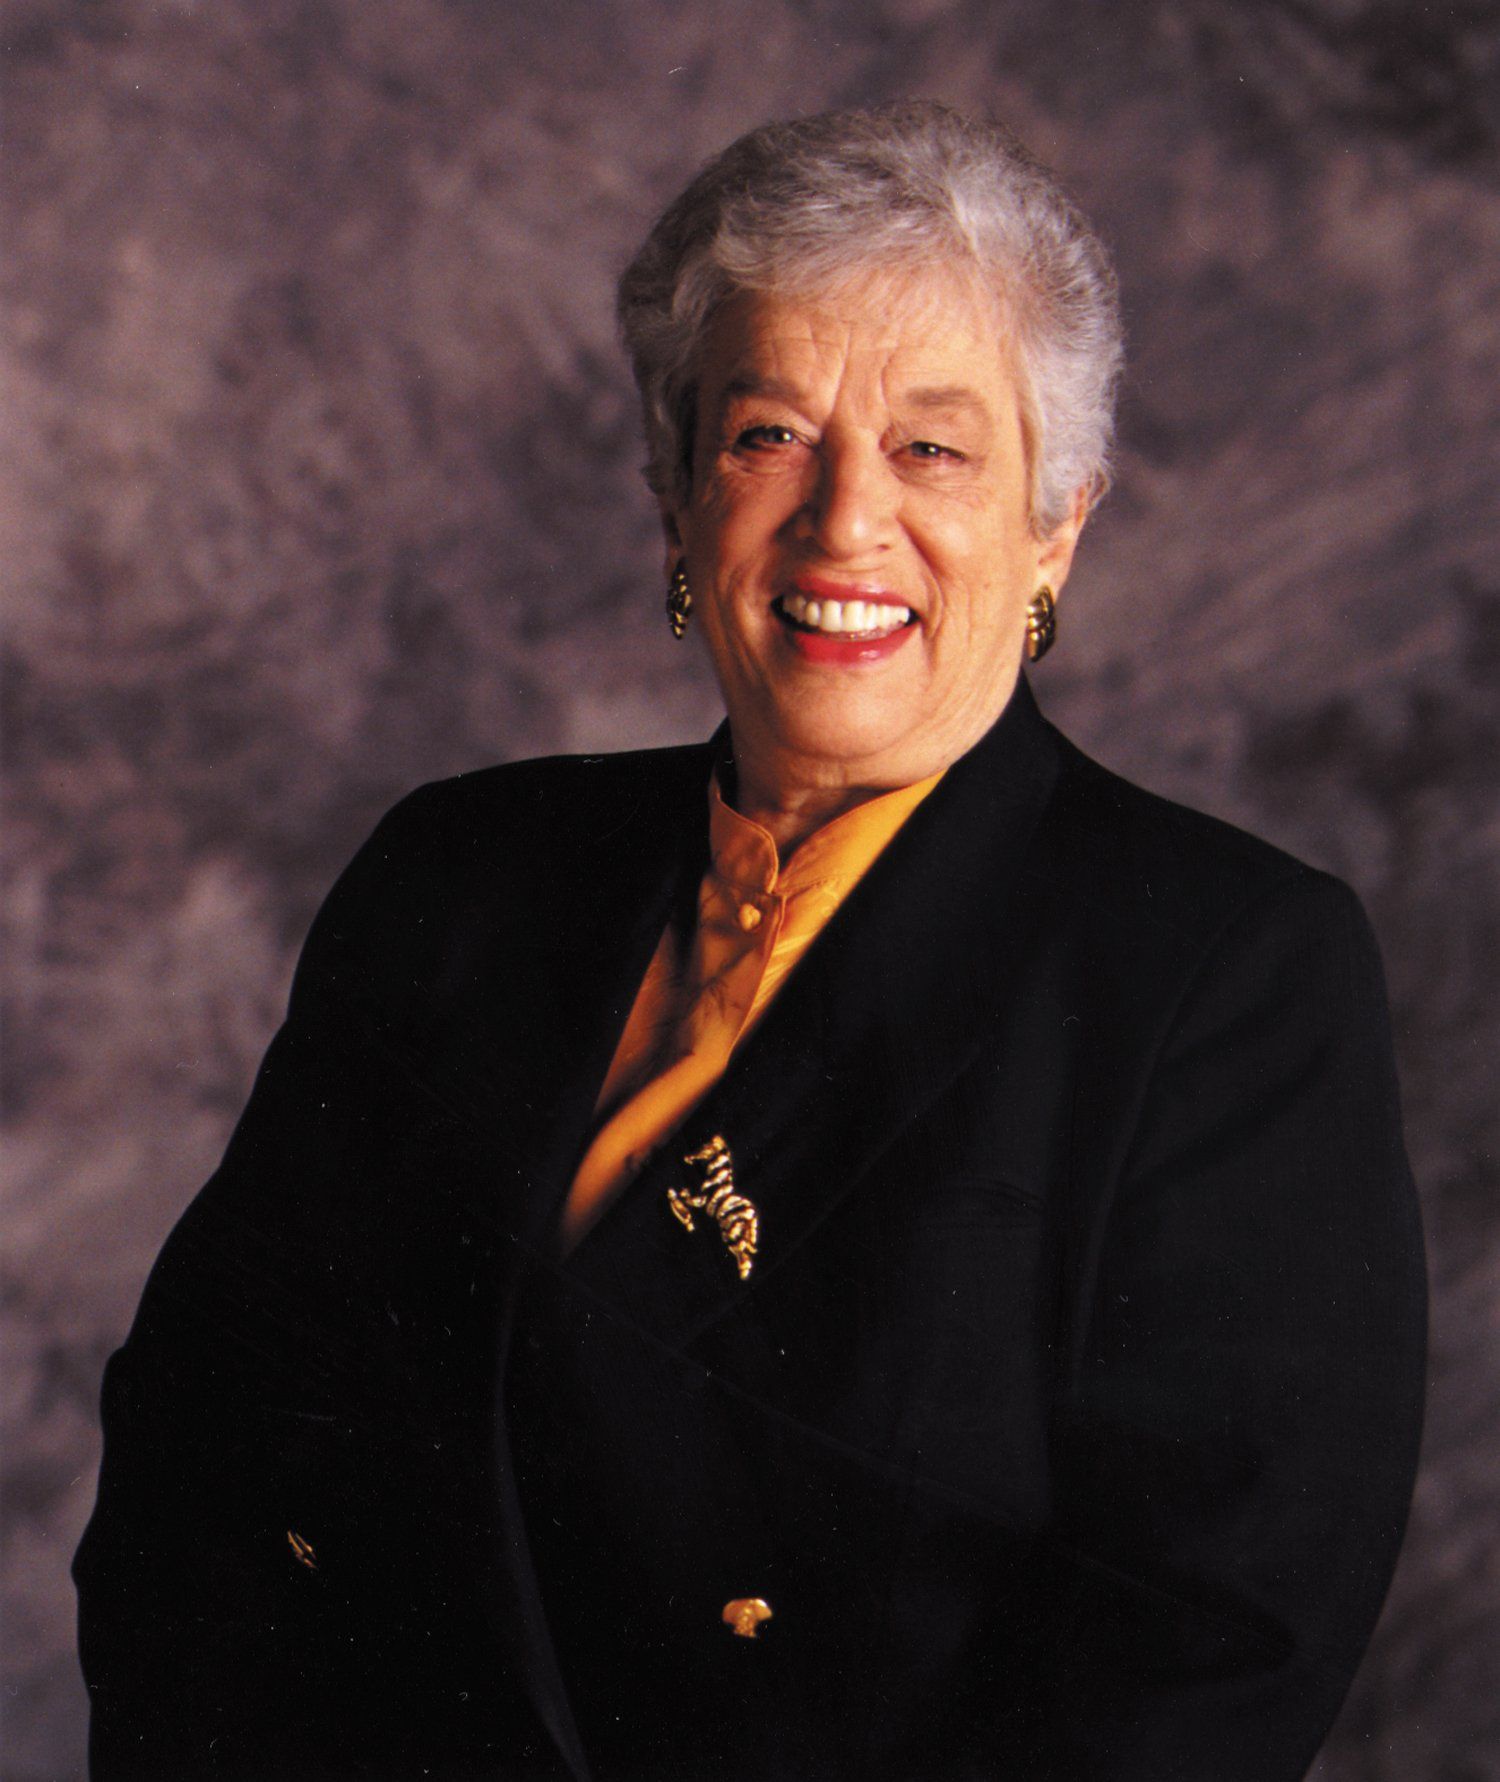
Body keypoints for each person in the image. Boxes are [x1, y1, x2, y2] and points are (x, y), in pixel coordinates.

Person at [74, 102, 1426, 1781]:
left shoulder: (1224, 975)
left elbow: (1204, 1650)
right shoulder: (456, 875)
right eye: (770, 434)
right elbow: (208, 1446)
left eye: (935, 448)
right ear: (673, 497)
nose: (843, 524)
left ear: (1056, 527)